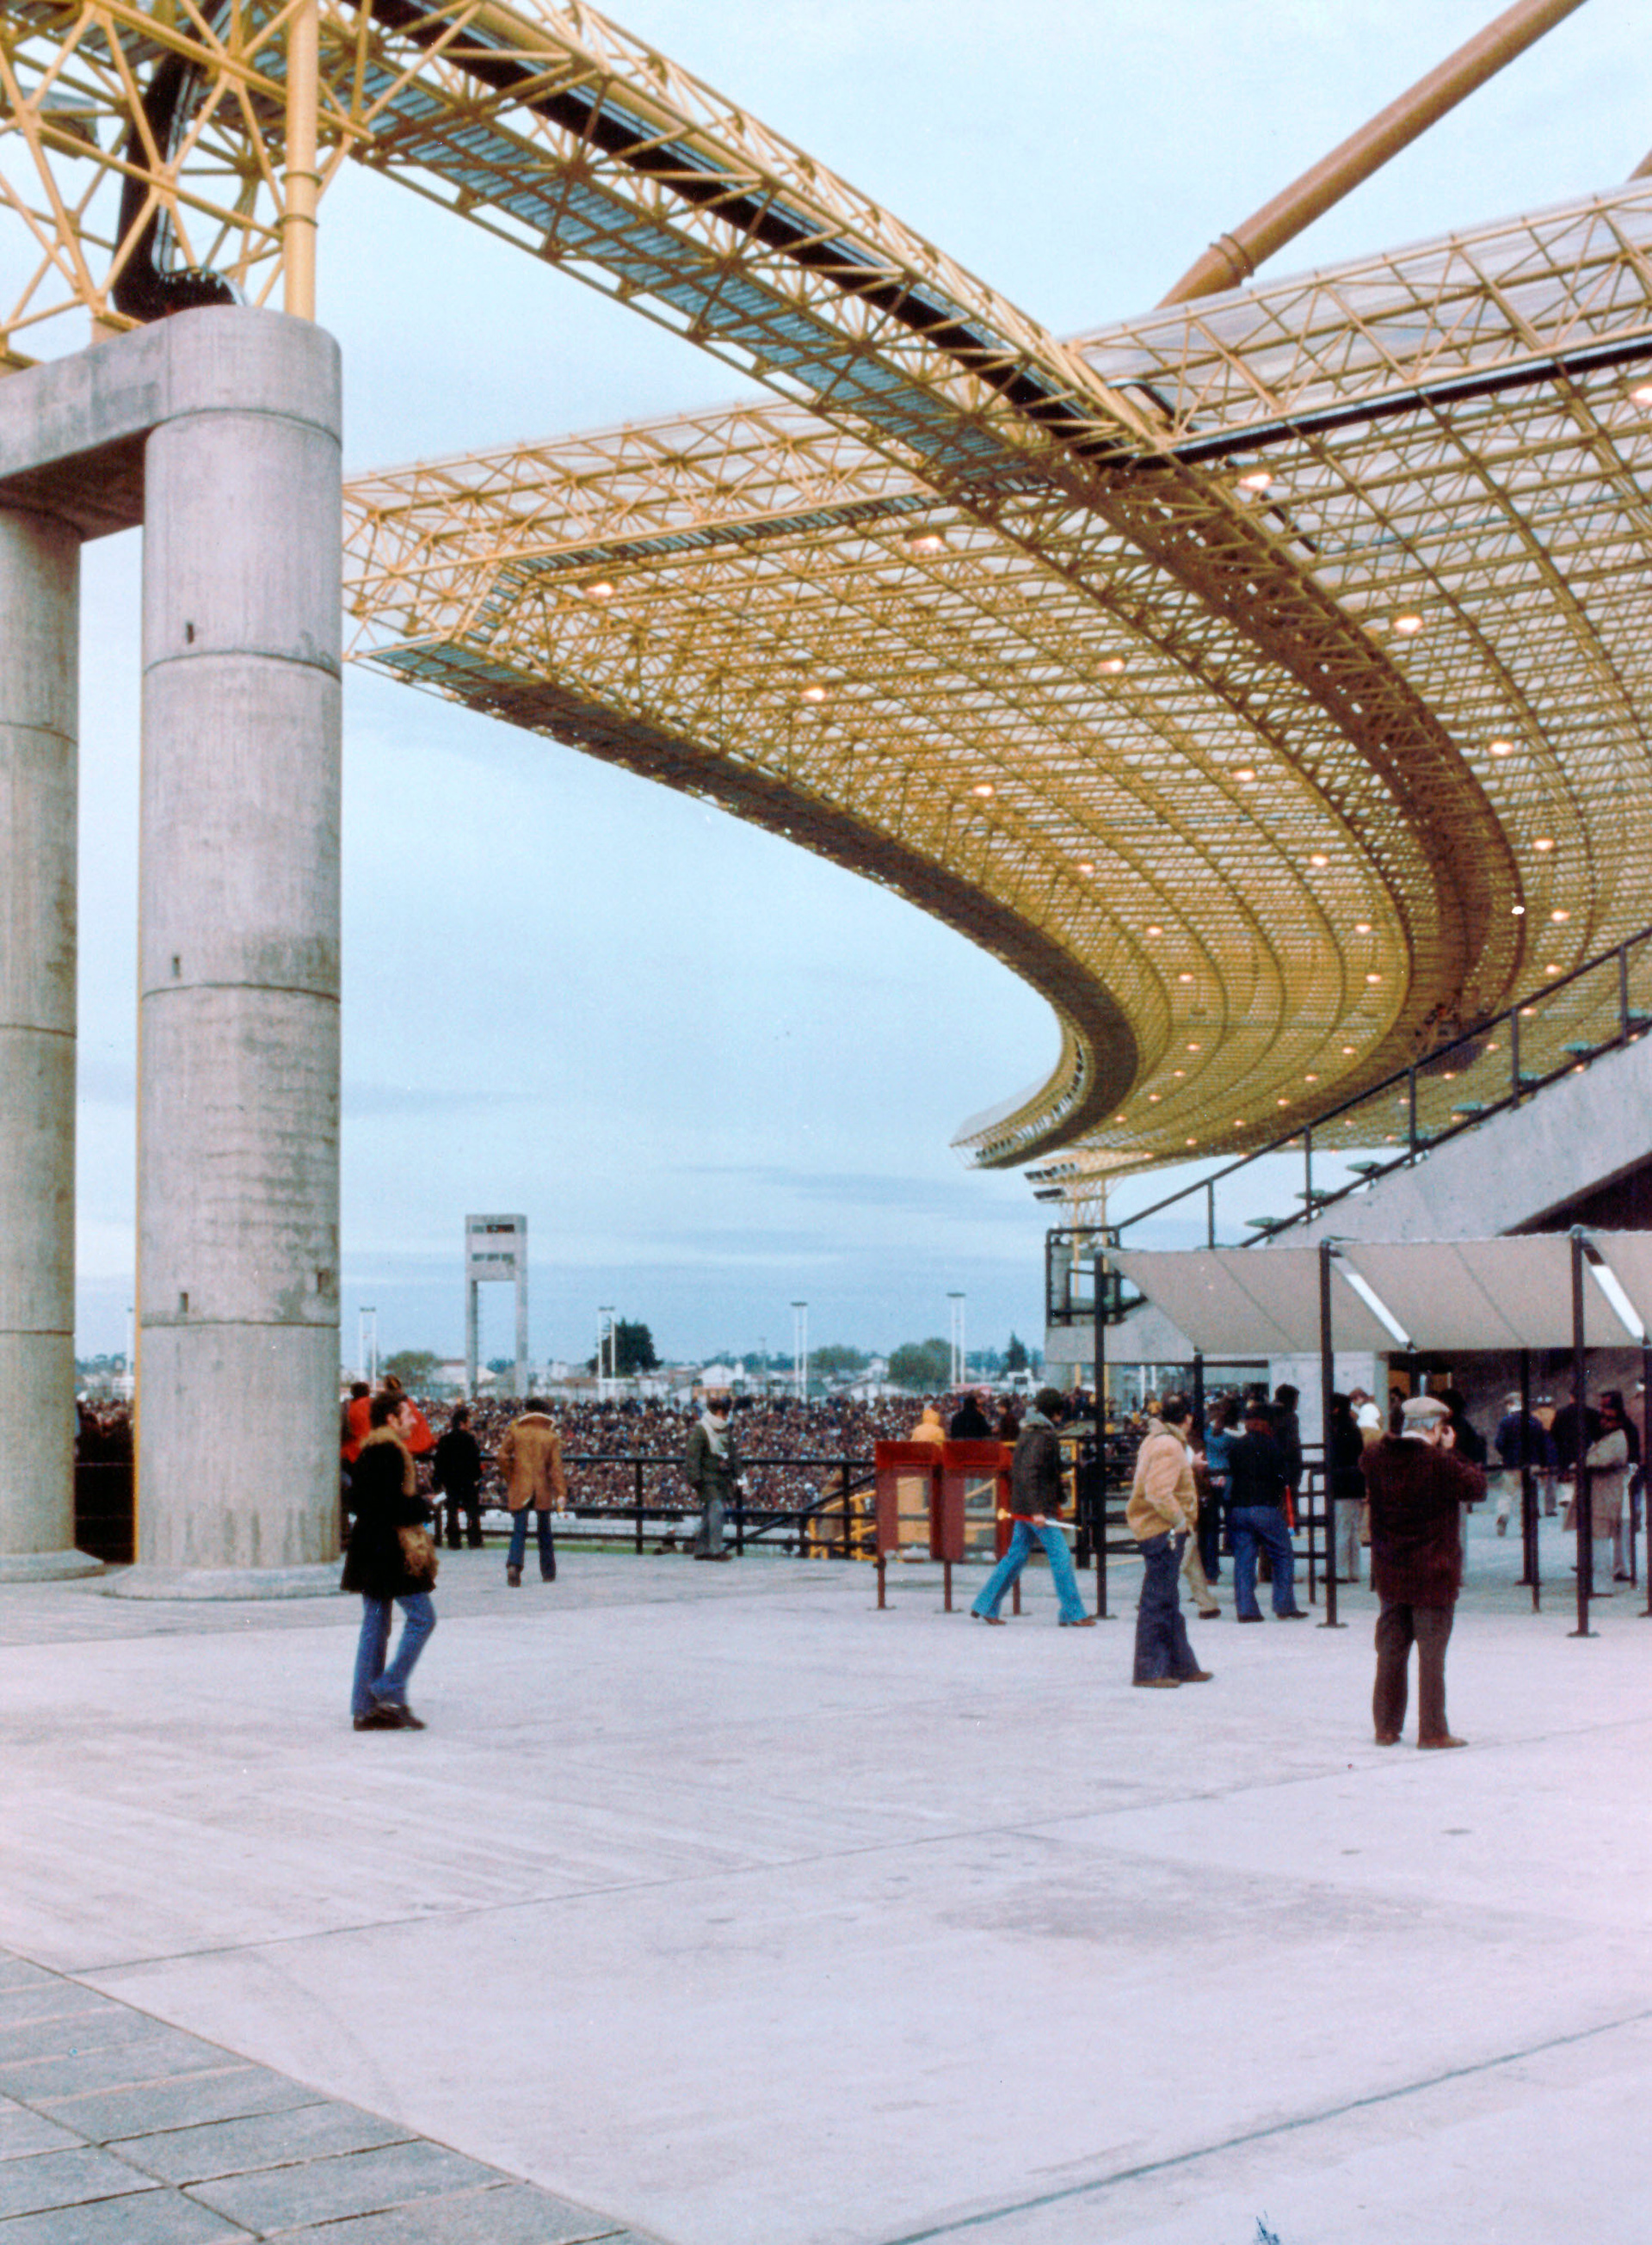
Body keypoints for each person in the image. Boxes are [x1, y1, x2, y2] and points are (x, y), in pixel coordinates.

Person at [1361, 1392, 1484, 1748]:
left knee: (1391, 1650)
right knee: (1432, 1656)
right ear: (1437, 1427)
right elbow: (1476, 1488)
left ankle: (1386, 1726)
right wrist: (1450, 1450)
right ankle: (1432, 1730)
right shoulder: (1439, 1462)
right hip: (1433, 1572)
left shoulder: (1375, 1457)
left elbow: (1370, 1459)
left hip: (1390, 1570)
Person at [341, 1389, 437, 1730]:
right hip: (389, 1552)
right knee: (423, 1617)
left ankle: (364, 1709)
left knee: (375, 1626)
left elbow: (359, 1500)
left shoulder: (370, 1451)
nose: (413, 1419)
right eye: (407, 1414)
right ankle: (388, 1688)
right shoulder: (390, 1453)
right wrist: (423, 1506)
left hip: (369, 1550)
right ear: (392, 1419)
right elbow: (391, 1505)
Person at [970, 1386, 1094, 1626]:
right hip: (1038, 1507)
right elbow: (1031, 1473)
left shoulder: (1029, 1430)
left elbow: (1027, 1470)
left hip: (1023, 1503)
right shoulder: (1044, 1435)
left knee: (1015, 1556)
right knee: (1061, 1556)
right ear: (1056, 1412)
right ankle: (1073, 1613)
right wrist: (1038, 1510)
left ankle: (987, 1604)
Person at [1125, 1394, 1211, 1685]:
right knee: (1158, 1601)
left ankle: (1181, 1665)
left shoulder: (1157, 1440)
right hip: (1163, 1530)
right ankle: (1149, 1670)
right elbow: (1158, 1492)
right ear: (1187, 1419)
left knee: (1167, 1599)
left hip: (1159, 1528)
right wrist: (1180, 1521)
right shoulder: (1169, 1446)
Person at [1226, 1400, 1306, 1621]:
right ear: (1265, 1423)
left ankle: (1246, 1610)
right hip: (1265, 1508)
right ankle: (1284, 1605)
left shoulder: (1236, 1446)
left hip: (1239, 1508)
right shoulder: (1273, 1445)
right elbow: (1284, 1477)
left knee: (1244, 1558)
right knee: (1282, 1554)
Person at [496, 1397, 568, 1585]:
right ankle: (548, 1571)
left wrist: (511, 1475)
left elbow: (502, 1456)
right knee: (544, 1530)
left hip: (521, 1483)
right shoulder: (550, 1436)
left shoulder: (517, 1432)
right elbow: (555, 1468)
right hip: (542, 1486)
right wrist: (561, 1492)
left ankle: (514, 1564)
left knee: (519, 1529)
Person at [1584, 1392, 1632, 1589]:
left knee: (1603, 1537)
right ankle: (1614, 1573)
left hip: (1608, 1492)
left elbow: (1600, 1460)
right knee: (1604, 1536)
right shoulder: (1612, 1436)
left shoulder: (1617, 1438)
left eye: (1606, 1414)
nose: (1602, 1418)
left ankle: (1604, 1581)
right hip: (1607, 1493)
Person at [685, 1391, 740, 1560]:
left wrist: (740, 1478)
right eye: (725, 1413)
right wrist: (695, 1479)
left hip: (720, 1479)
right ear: (719, 1412)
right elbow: (692, 1456)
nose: (727, 1416)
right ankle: (715, 1550)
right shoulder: (702, 1430)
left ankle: (701, 1550)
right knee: (717, 1511)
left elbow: (734, 1456)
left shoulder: (724, 1430)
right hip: (706, 1479)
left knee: (710, 1515)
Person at [1493, 1391, 1554, 1533]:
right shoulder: (1535, 1421)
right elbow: (1543, 1444)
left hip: (1512, 1463)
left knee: (1508, 1493)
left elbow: (1499, 1443)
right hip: (1532, 1463)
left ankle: (1503, 1514)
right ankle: (1526, 1525)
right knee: (1528, 1495)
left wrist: (1506, 1454)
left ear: (1511, 1404)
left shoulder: (1506, 1422)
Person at [432, 1402, 484, 1551]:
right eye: (469, 1421)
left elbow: (439, 1462)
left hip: (451, 1481)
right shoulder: (469, 1439)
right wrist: (477, 1478)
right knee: (472, 1512)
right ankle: (474, 1540)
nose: (471, 1424)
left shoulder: (444, 1440)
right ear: (462, 1423)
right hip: (467, 1481)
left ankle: (454, 1541)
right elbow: (475, 1461)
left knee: (452, 1511)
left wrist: (438, 1481)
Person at [1328, 1391, 1365, 1583]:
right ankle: (1353, 1571)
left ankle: (1340, 1572)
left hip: (1342, 1483)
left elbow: (1335, 1458)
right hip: (1356, 1483)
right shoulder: (1353, 1426)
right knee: (1352, 1529)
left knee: (1342, 1528)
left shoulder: (1338, 1429)